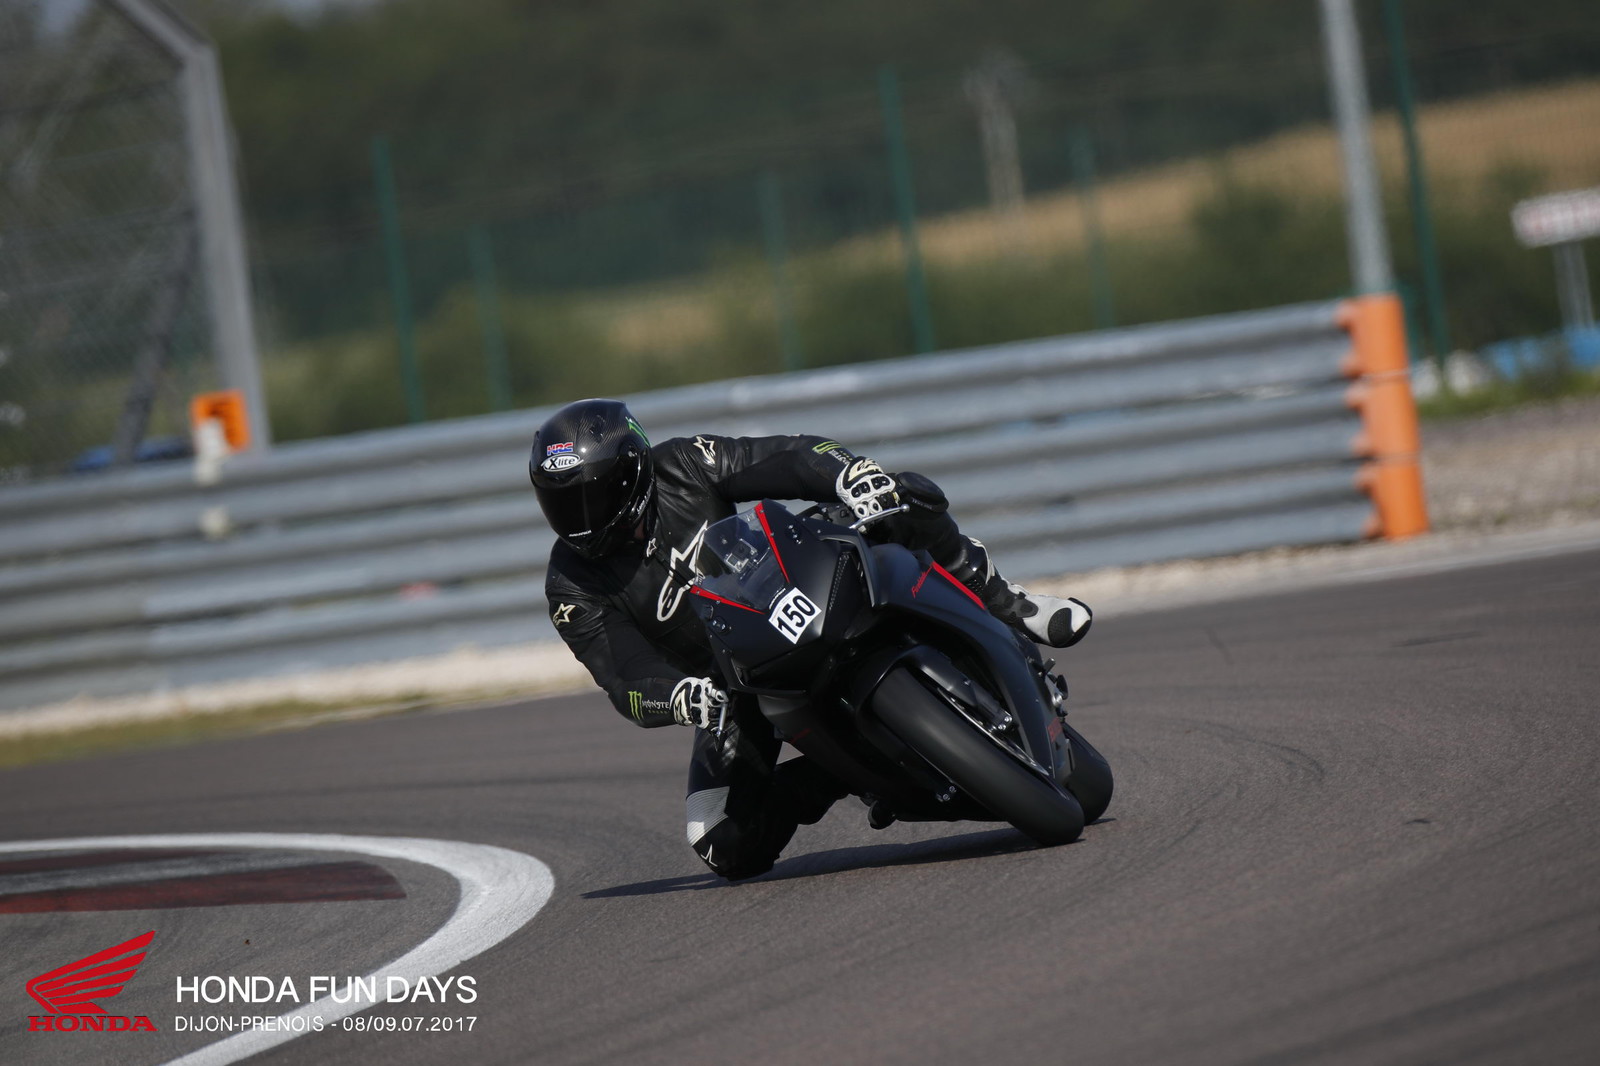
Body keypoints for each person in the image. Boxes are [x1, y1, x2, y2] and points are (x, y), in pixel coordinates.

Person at [530, 397, 1091, 881]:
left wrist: (846, 473)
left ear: (632, 470)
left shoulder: (682, 463)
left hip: (791, 580)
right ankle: (841, 772)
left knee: (897, 496)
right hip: (735, 682)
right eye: (561, 503)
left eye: (592, 495)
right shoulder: (570, 586)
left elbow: (784, 455)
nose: (579, 518)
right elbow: (623, 675)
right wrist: (679, 697)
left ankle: (1009, 603)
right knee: (720, 840)